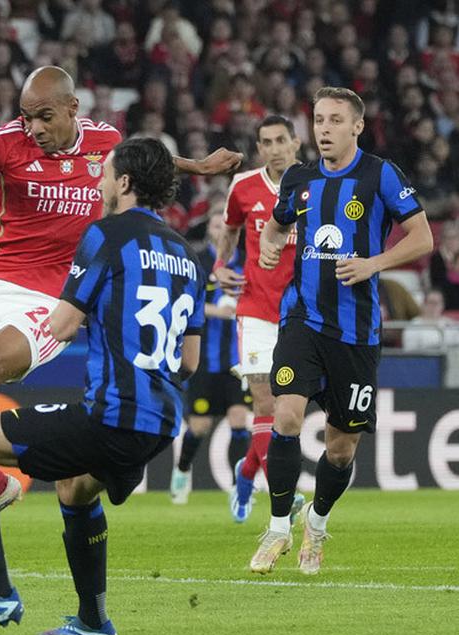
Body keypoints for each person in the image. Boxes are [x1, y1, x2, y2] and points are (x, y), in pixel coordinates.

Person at [0, 66, 241, 546]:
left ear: (72, 109)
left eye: (44, 117)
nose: (34, 128)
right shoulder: (8, 141)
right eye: (27, 118)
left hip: (57, 295)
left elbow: (147, 161)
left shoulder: (105, 140)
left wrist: (199, 167)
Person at [0, 138, 205, 635]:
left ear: (123, 183)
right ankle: (93, 620)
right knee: (75, 489)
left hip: (112, 415)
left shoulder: (105, 234)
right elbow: (190, 359)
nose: (97, 182)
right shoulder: (187, 254)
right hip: (161, 421)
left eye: (105, 174)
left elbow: (60, 325)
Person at [251, 88, 434, 575]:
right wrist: (270, 247)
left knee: (340, 447)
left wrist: (375, 262)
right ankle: (277, 529)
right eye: (318, 120)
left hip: (356, 333)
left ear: (357, 126)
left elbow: (423, 236)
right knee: (285, 415)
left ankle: (317, 522)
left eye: (335, 120)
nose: (324, 128)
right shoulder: (299, 178)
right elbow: (275, 226)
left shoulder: (381, 174)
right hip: (302, 320)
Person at [212, 115, 304, 521]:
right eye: (267, 142)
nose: (275, 148)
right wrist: (219, 263)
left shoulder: (316, 185)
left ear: (296, 143)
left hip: (301, 312)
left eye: (282, 140)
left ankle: (247, 472)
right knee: (265, 400)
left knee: (286, 411)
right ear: (259, 148)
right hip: (254, 309)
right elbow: (230, 229)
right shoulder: (244, 186)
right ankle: (282, 493)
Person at [168, 212, 260, 509]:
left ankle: (238, 488)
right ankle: (182, 470)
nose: (221, 230)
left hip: (236, 358)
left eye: (226, 226)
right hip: (204, 359)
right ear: (209, 229)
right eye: (216, 225)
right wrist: (214, 310)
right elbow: (181, 304)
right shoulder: (197, 263)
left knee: (238, 420)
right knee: (199, 426)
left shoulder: (247, 261)